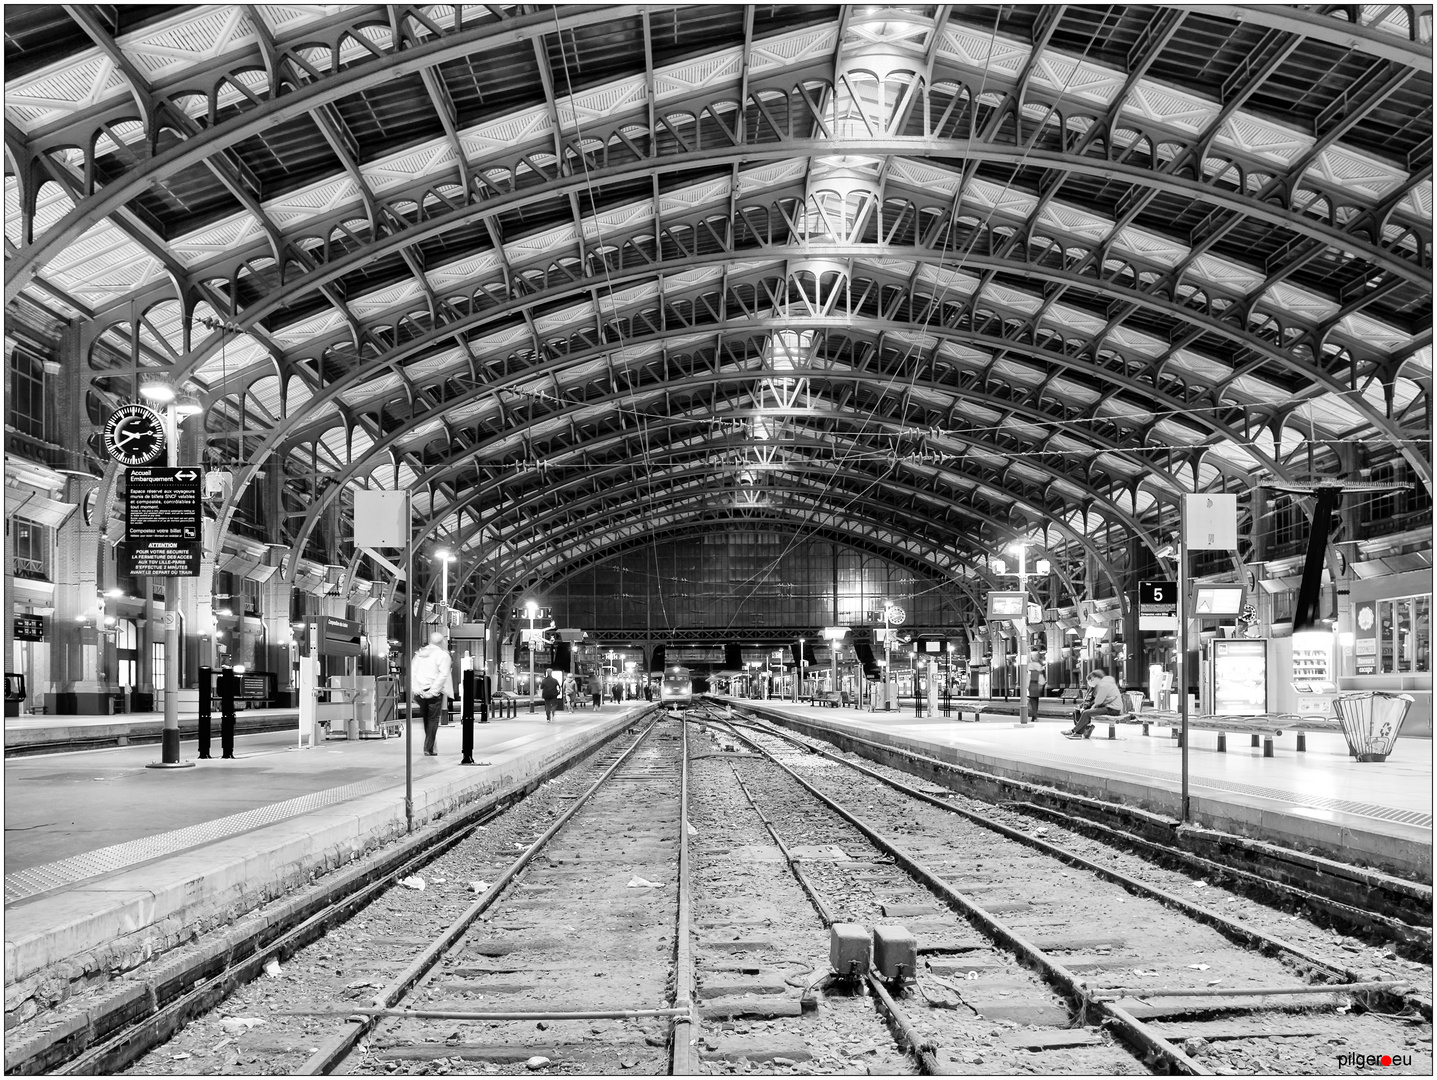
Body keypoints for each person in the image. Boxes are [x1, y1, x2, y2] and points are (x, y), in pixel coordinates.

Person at [411, 631, 454, 756]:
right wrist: (432, 691)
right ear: (441, 642)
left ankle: (431, 746)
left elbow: (412, 673)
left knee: (426, 720)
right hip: (433, 693)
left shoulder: (419, 655)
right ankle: (428, 747)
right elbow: (443, 675)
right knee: (433, 720)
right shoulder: (443, 655)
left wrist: (417, 689)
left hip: (420, 692)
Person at [1064, 668, 1122, 739]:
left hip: (1112, 709)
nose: (1090, 682)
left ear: (1096, 678)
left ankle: (1074, 731)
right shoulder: (1106, 683)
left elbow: (1099, 701)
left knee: (1086, 712)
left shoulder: (1104, 685)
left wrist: (1091, 707)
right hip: (1111, 707)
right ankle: (1078, 733)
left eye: (1091, 680)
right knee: (1086, 712)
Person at [1026, 652, 1047, 721]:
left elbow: (1027, 681)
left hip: (1030, 688)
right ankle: (1035, 716)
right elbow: (1042, 681)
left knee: (1031, 703)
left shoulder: (1029, 672)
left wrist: (1026, 688)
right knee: (1036, 702)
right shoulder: (1039, 673)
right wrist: (1040, 686)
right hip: (1037, 688)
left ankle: (1033, 716)